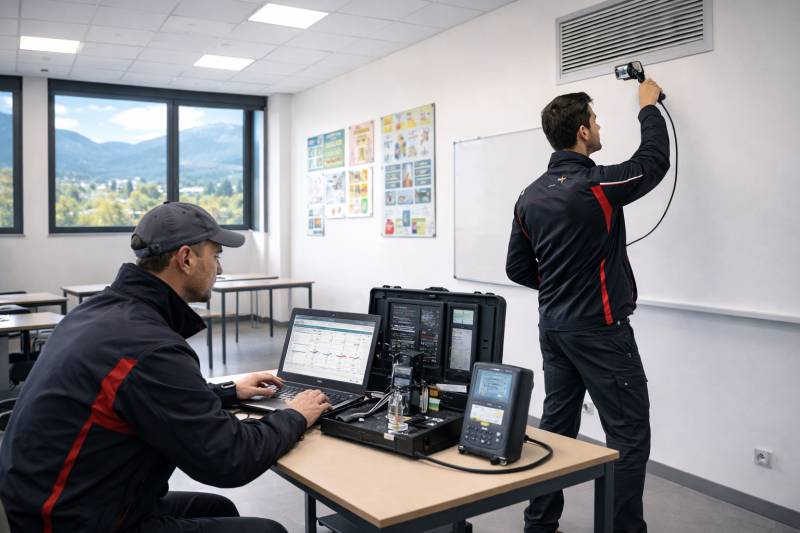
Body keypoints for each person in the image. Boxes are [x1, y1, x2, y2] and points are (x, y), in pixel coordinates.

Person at [0, 201, 331, 533]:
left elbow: (150, 395)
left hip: (53, 498)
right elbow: (230, 458)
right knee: (267, 531)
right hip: (71, 521)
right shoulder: (149, 345)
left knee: (218, 508)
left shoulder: (103, 311)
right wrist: (296, 415)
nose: (219, 269)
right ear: (186, 259)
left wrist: (230, 392)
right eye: (215, 256)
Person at [506, 80, 669, 533]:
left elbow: (517, 267)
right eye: (595, 121)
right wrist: (647, 107)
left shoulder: (529, 196)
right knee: (629, 436)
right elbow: (652, 163)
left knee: (555, 430)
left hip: (554, 329)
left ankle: (539, 524)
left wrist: (559, 284)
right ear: (581, 132)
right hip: (600, 332)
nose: (599, 127)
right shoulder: (596, 184)